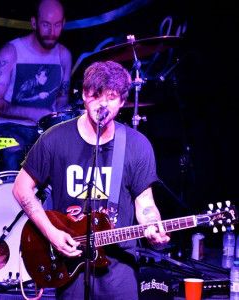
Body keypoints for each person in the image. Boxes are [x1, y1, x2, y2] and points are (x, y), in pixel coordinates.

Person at [12, 61, 170, 299]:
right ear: (84, 95)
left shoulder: (137, 145)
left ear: (122, 101)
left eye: (112, 96)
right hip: (71, 261)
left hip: (118, 262)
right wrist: (51, 233)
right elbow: (21, 188)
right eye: (96, 95)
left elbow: (145, 202)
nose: (103, 104)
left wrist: (153, 226)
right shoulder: (55, 139)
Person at [0, 0, 72, 171]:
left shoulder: (64, 55)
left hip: (46, 130)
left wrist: (60, 118)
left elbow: (62, 99)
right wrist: (33, 113)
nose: (52, 32)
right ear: (34, 23)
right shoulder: (11, 52)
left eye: (57, 25)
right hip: (9, 128)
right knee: (14, 154)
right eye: (46, 25)